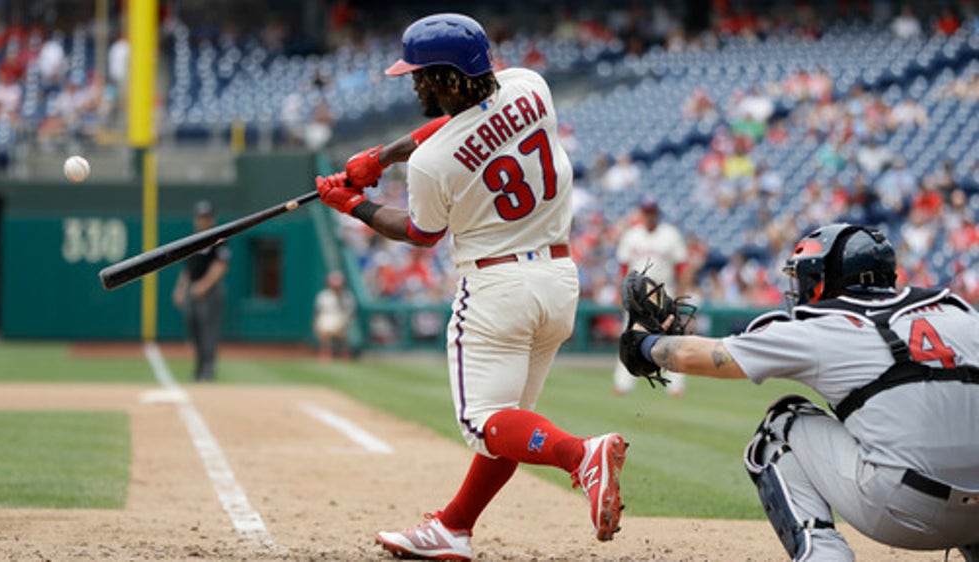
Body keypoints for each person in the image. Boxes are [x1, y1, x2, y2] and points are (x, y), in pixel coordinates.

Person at [314, 13, 627, 561]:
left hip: (496, 287)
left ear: (449, 79)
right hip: (557, 279)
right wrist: (380, 158)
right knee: (510, 422)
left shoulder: (433, 164)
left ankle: (582, 455)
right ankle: (454, 527)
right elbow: (478, 119)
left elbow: (419, 232)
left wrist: (354, 204)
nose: (415, 84)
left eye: (422, 75)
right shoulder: (532, 86)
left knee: (485, 424)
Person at [619, 223, 979, 561]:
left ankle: (823, 555)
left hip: (904, 513)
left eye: (808, 277)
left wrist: (645, 343)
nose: (802, 287)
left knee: (783, 422)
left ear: (829, 279)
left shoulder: (822, 328)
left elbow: (699, 357)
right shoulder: (960, 312)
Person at [612, 198, 688, 397]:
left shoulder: (670, 235)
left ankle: (675, 386)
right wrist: (618, 292)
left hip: (664, 291)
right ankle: (623, 384)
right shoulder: (632, 235)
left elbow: (681, 267)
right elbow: (622, 267)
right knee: (628, 337)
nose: (649, 215)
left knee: (673, 338)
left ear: (657, 213)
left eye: (652, 211)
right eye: (646, 211)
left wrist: (681, 294)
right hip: (637, 294)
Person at [172, 200, 230, 381]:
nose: (202, 220)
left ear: (211, 218)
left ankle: (208, 369)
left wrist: (204, 285)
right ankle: (199, 368)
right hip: (194, 290)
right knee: (195, 330)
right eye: (200, 217)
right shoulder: (193, 239)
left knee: (208, 331)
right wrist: (181, 289)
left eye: (206, 217)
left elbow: (220, 265)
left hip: (211, 291)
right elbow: (188, 269)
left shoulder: (219, 237)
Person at [312, 270, 355, 359]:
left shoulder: (347, 296)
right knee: (323, 326)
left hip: (342, 320)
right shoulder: (323, 296)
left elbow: (350, 314)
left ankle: (344, 352)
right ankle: (326, 352)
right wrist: (316, 325)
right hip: (326, 320)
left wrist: (345, 324)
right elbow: (318, 313)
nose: (336, 288)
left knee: (342, 329)